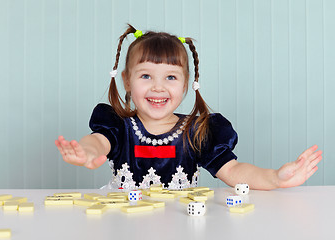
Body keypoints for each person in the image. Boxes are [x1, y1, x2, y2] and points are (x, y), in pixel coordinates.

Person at [55, 24, 322, 190]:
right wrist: (86, 153)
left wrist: (276, 177)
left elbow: (233, 171)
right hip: (123, 225)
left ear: (185, 85)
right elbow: (97, 143)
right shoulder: (117, 124)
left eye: (170, 77)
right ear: (127, 79)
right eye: (146, 76)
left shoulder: (199, 130)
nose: (158, 87)